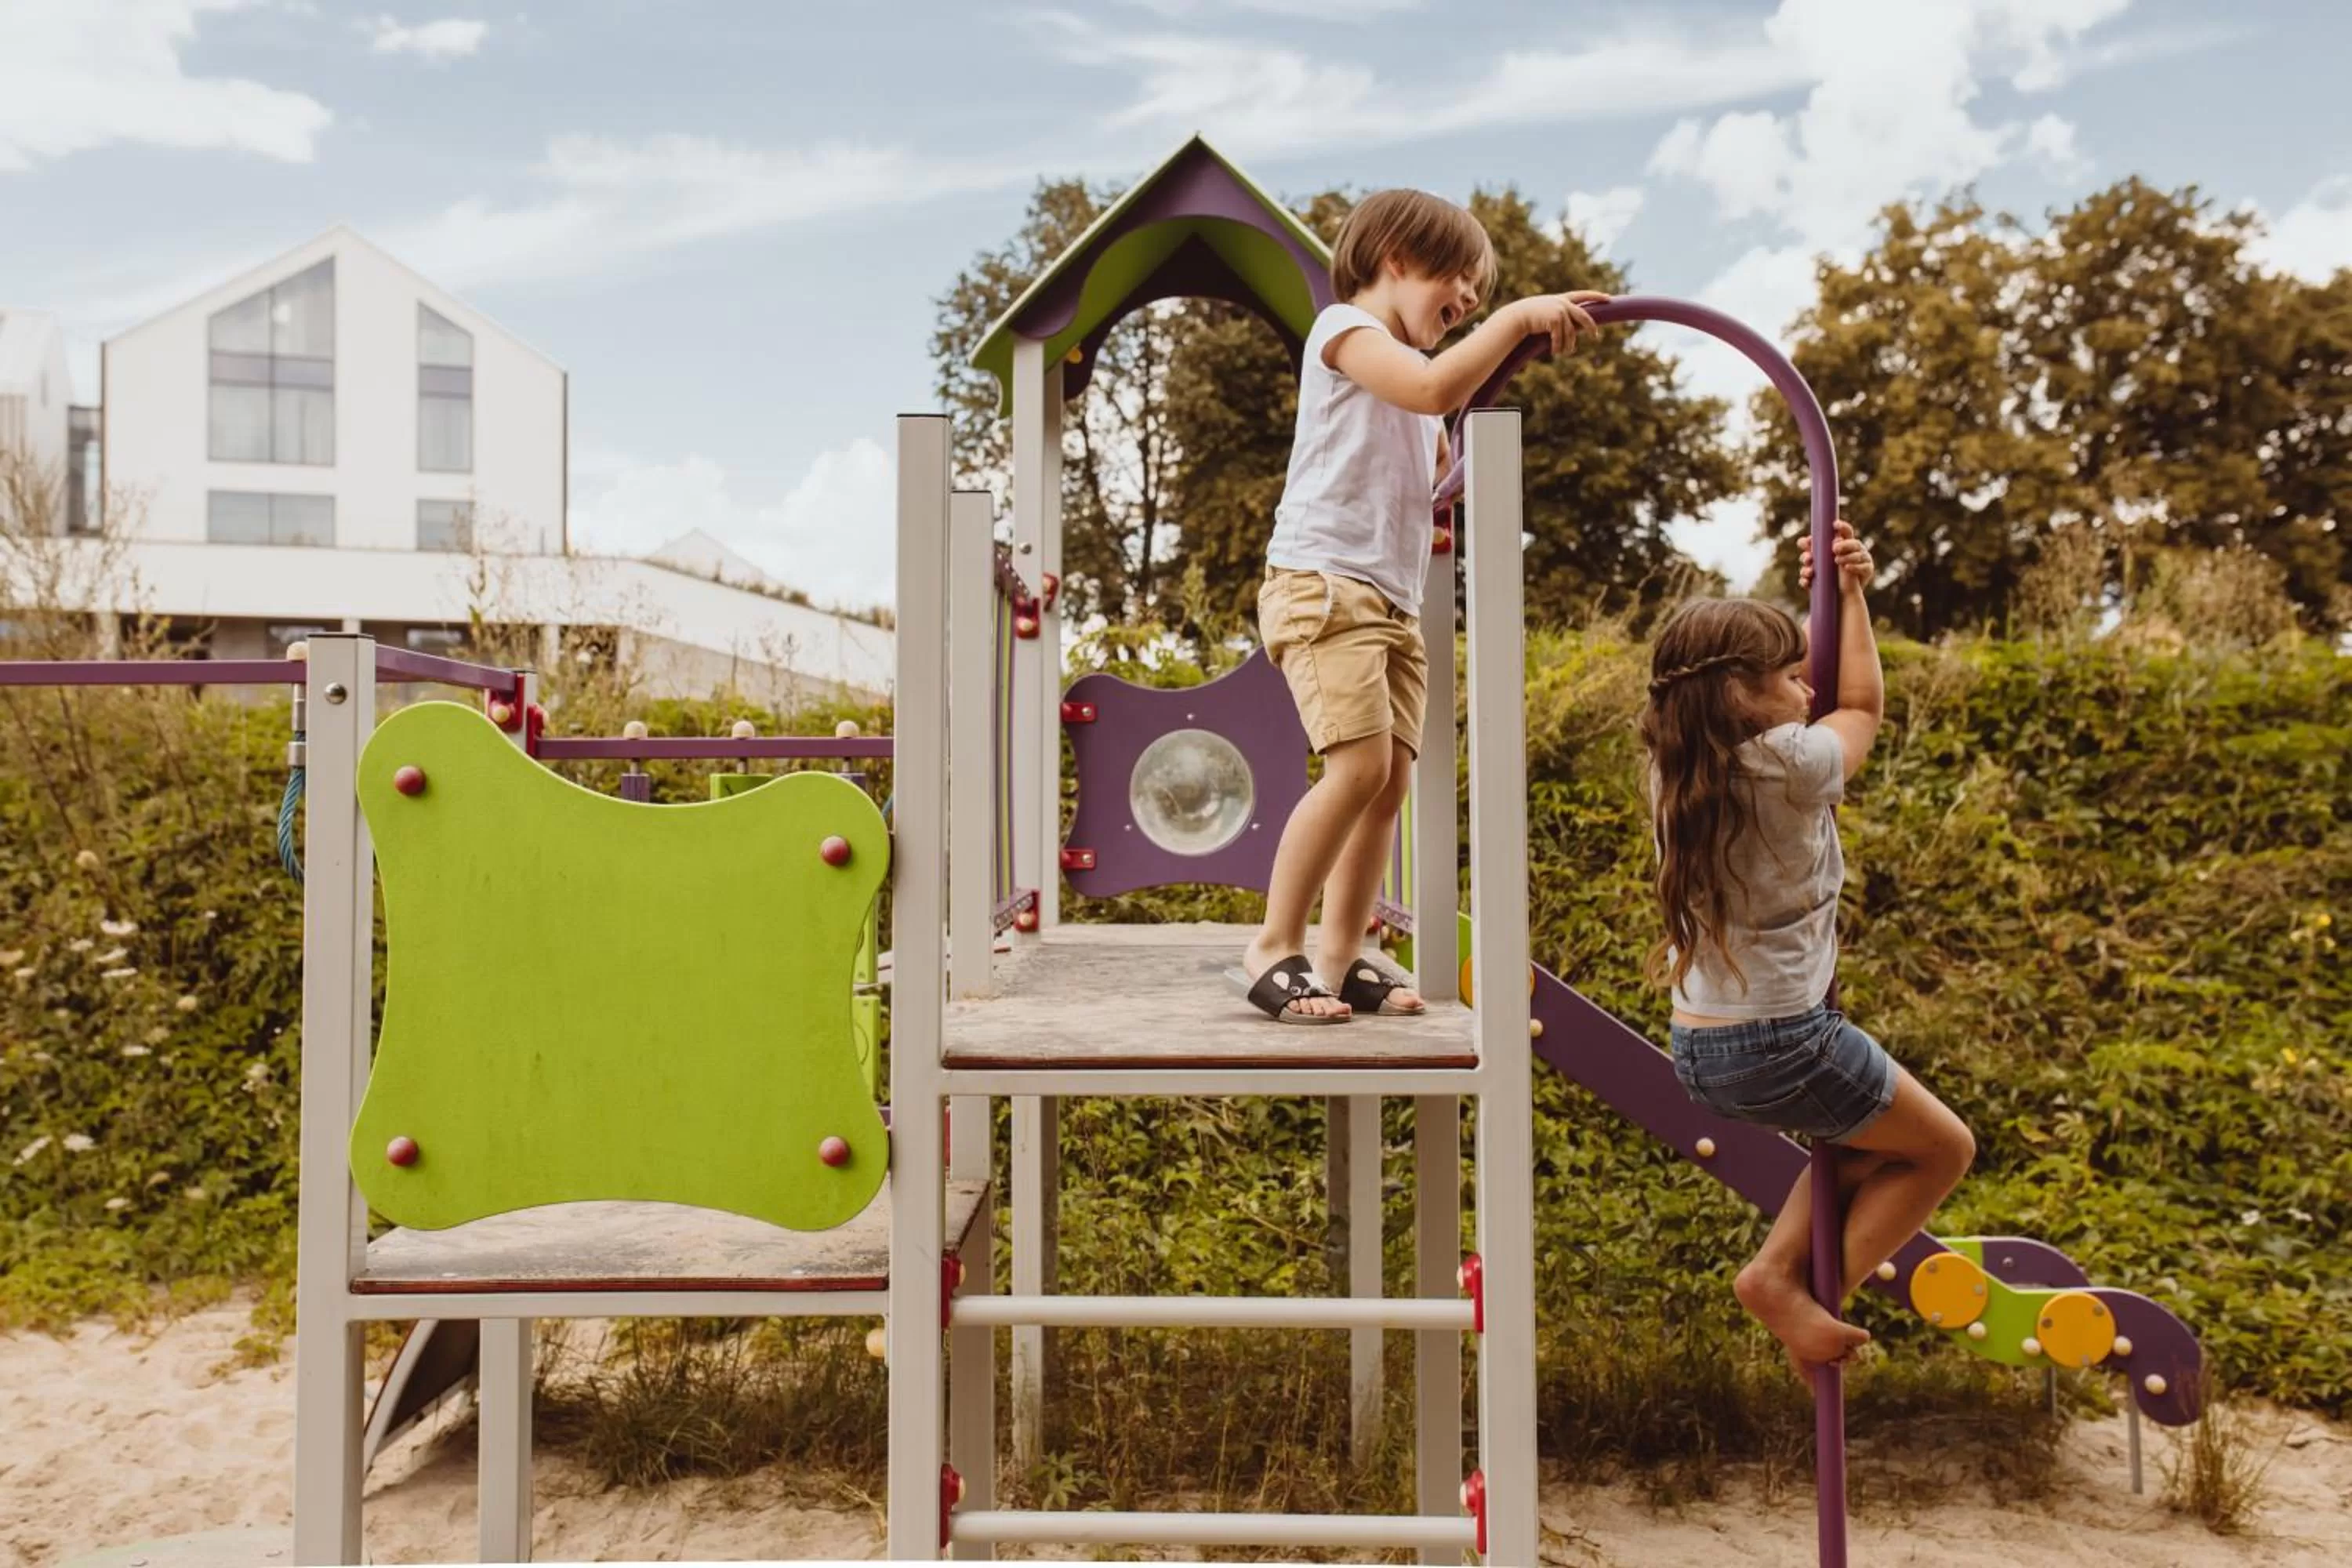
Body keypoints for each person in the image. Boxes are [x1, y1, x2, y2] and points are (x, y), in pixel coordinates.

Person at [1234, 187, 1606, 1023]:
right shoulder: (1347, 332)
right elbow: (1436, 389)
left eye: (1481, 291)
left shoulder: (1409, 375)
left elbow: (1431, 451)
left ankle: (1337, 952)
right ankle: (1273, 941)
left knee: (1390, 781)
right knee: (1357, 767)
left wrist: (1454, 477)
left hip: (1390, 601)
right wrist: (1513, 322)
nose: (1471, 300)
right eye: (1460, 282)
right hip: (1324, 585)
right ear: (1396, 259)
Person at [1643, 519, 1976, 1365]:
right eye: (1791, 676)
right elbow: (1861, 705)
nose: (1806, 688)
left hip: (1698, 1045)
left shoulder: (1675, 766)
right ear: (1739, 696)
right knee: (1942, 1148)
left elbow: (1827, 699)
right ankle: (1792, 1288)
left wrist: (1839, 595)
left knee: (1864, 1145)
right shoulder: (1789, 764)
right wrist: (1853, 595)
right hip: (1785, 1038)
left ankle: (1779, 1278)